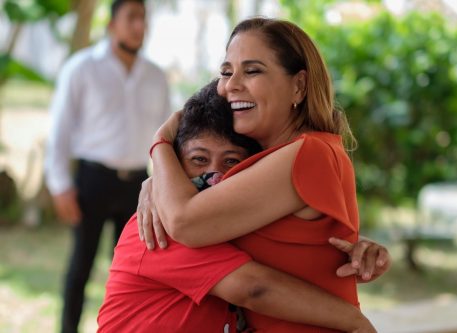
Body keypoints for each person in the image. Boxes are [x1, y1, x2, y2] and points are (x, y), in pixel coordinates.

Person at [141, 17, 390, 332]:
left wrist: (160, 143)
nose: (231, 85)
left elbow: (184, 222)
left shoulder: (308, 154)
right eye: (227, 72)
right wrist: (155, 183)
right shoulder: (267, 161)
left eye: (252, 70)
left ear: (298, 85)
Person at [98, 80, 377, 333]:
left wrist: (357, 250)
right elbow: (255, 288)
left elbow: (286, 249)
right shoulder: (160, 224)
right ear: (175, 162)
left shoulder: (224, 223)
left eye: (231, 162)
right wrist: (353, 321)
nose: (214, 175)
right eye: (198, 159)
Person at [44, 1, 170, 332]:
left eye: (143, 18)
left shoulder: (156, 75)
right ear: (112, 24)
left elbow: (169, 137)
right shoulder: (81, 67)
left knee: (136, 272)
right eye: (131, 18)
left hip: (138, 186)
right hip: (91, 181)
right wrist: (60, 186)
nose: (139, 25)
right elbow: (59, 130)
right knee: (80, 267)